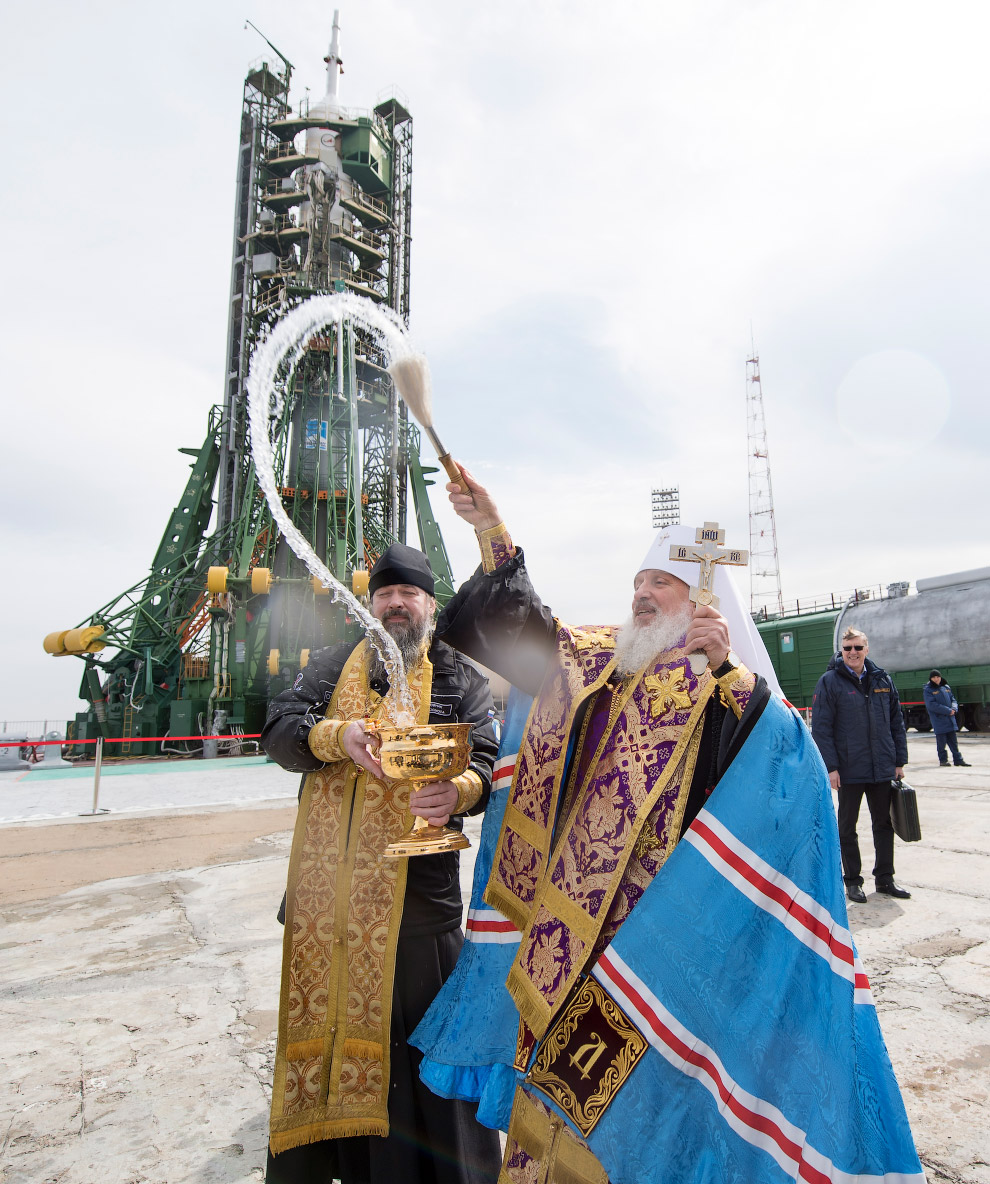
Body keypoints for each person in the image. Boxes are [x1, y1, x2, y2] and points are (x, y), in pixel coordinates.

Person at [261, 543, 502, 1184]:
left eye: (409, 593)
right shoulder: (333, 665)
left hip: (419, 900)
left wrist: (460, 791)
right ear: (371, 605)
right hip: (329, 900)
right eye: (384, 594)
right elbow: (279, 728)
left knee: (424, 1048)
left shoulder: (459, 677)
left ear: (429, 604)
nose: (396, 604)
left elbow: (487, 757)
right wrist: (334, 736)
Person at [811, 627, 910, 904]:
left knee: (884, 823)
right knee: (847, 828)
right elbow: (822, 728)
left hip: (881, 766)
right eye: (847, 648)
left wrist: (898, 761)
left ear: (867, 649)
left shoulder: (882, 680)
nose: (852, 653)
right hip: (849, 769)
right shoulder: (829, 682)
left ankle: (885, 879)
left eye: (857, 647)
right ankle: (853, 882)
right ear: (841, 651)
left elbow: (896, 723)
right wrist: (831, 767)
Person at [924, 669, 971, 767]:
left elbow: (953, 699)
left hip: (950, 719)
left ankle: (958, 760)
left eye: (938, 677)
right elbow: (932, 705)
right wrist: (948, 710)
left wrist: (954, 708)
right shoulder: (928, 690)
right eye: (934, 677)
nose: (936, 679)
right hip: (939, 720)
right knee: (941, 743)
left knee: (953, 742)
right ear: (931, 679)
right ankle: (943, 760)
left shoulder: (946, 687)